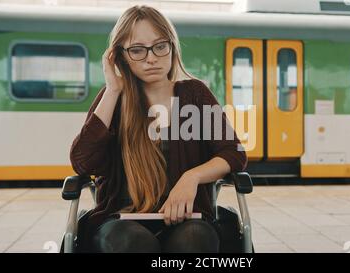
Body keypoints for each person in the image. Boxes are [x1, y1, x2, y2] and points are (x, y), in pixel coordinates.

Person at [70, 5, 247, 253]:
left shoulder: (195, 94)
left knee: (195, 239)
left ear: (172, 47)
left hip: (188, 220)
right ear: (120, 55)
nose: (151, 58)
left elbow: (233, 153)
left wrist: (191, 177)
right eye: (138, 50)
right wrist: (112, 90)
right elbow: (83, 163)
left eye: (160, 46)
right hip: (121, 222)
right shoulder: (114, 99)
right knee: (133, 243)